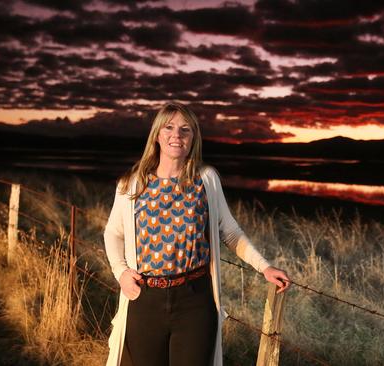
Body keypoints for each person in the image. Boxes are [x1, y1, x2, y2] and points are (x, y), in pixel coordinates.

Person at [103, 101, 291, 366]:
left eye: (185, 129)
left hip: (195, 301)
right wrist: (120, 272)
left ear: (193, 138)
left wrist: (265, 267)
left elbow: (230, 231)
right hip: (145, 298)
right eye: (168, 127)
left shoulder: (206, 179)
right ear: (157, 135)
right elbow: (113, 232)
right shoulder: (133, 183)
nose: (176, 135)